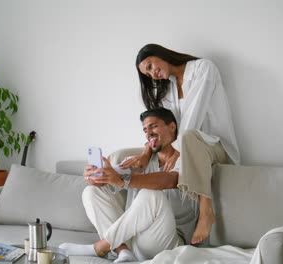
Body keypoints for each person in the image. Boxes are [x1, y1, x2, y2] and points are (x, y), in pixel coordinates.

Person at [120, 44, 241, 244]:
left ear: (159, 54)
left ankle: (206, 211)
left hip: (217, 146)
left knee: (188, 137)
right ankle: (137, 227)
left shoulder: (204, 68)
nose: (153, 75)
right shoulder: (168, 89)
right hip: (187, 147)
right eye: (148, 74)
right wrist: (144, 153)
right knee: (124, 156)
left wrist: (178, 152)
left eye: (150, 66)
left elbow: (194, 116)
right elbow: (167, 129)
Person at [59, 108, 197, 262]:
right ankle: (123, 251)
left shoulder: (186, 160)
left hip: (168, 242)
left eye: (153, 126)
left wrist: (124, 180)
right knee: (91, 191)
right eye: (145, 129)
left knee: (151, 194)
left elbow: (169, 180)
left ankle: (101, 247)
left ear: (172, 127)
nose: (148, 132)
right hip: (132, 239)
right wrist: (95, 177)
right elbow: (113, 175)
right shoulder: (138, 161)